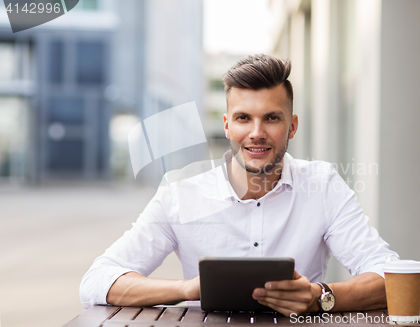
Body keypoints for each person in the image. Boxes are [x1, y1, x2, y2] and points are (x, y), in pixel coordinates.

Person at [80, 54, 398, 316]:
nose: (256, 133)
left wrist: (320, 296)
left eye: (272, 118)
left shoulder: (323, 185)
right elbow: (97, 280)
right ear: (228, 125)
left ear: (292, 126)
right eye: (244, 118)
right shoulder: (180, 192)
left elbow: (392, 276)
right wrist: (188, 289)